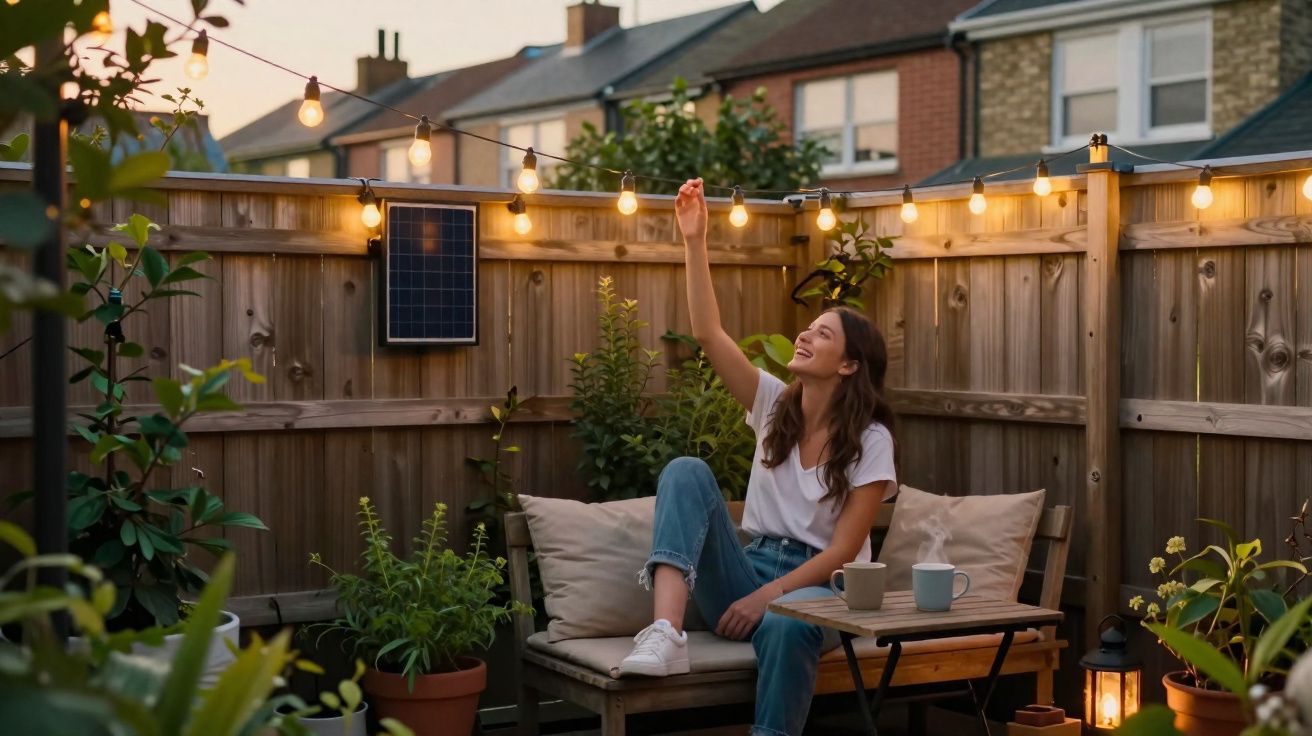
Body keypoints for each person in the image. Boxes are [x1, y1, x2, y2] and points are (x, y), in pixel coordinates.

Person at [617, 178, 900, 736]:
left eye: (821, 335)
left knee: (787, 626)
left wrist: (769, 598)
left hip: (820, 589)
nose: (804, 336)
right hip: (748, 572)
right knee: (685, 471)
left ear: (848, 366)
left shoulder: (871, 441)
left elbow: (844, 551)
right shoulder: (774, 405)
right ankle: (665, 635)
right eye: (809, 328)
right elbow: (708, 332)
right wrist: (694, 241)